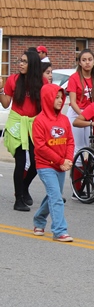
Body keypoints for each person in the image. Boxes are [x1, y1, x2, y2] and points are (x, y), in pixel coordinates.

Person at [0, 50, 44, 211]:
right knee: (20, 161)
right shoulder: (13, 80)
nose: (21, 64)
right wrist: (0, 90)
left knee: (36, 161)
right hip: (16, 123)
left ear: (32, 64)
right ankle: (18, 199)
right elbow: (5, 104)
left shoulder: (42, 82)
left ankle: (24, 187)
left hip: (34, 124)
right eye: (20, 61)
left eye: (24, 61)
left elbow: (45, 105)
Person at [32, 84, 74, 241]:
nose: (60, 100)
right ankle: (59, 230)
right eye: (56, 97)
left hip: (61, 166)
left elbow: (70, 140)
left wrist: (68, 159)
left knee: (53, 195)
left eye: (61, 97)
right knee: (56, 197)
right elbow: (40, 147)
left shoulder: (64, 119)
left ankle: (38, 220)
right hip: (45, 166)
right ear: (47, 98)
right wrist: (60, 160)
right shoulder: (39, 121)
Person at [67, 49, 94, 159]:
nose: (87, 62)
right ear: (79, 63)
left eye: (90, 60)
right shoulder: (74, 78)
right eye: (84, 60)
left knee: (90, 144)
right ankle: (77, 171)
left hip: (90, 114)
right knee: (78, 145)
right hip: (77, 112)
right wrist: (82, 114)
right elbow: (72, 101)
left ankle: (89, 170)